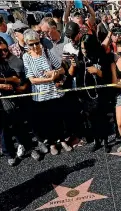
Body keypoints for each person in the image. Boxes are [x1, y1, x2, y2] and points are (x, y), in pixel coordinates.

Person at [22, 29, 71, 156]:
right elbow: (32, 79)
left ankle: (62, 140)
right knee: (47, 121)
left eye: (37, 43)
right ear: (27, 44)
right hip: (40, 95)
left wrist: (55, 73)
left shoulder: (47, 52)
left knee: (59, 117)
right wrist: (49, 78)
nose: (35, 46)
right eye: (31, 44)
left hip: (54, 92)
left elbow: (61, 69)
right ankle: (52, 143)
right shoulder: (26, 57)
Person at [0, 37, 40, 166]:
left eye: (5, 50)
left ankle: (29, 147)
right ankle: (10, 155)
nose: (3, 53)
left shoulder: (4, 63)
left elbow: (16, 79)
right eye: (0, 51)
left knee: (19, 125)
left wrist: (6, 81)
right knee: (4, 131)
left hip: (11, 100)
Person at [72, 34, 110, 153]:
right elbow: (73, 74)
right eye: (82, 48)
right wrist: (73, 66)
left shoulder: (101, 56)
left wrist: (97, 71)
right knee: (91, 119)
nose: (83, 51)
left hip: (99, 93)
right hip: (85, 94)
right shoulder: (79, 56)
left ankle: (105, 141)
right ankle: (96, 140)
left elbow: (108, 75)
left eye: (85, 48)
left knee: (102, 117)